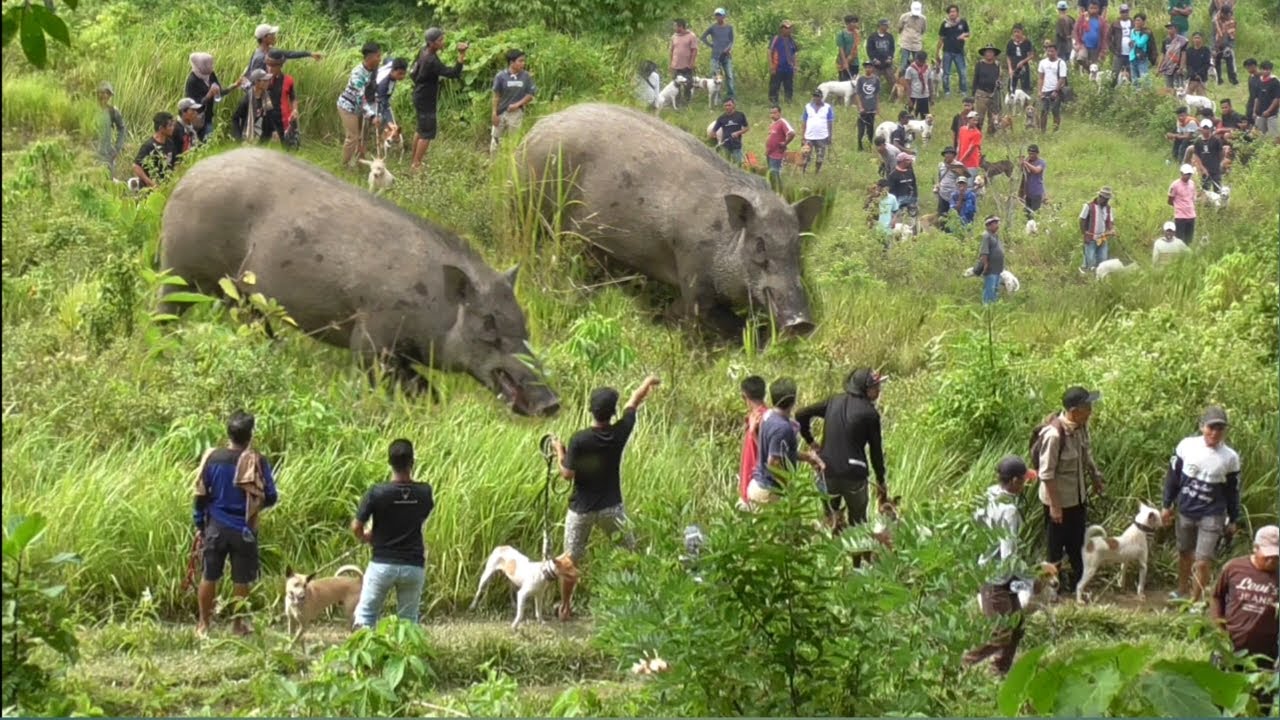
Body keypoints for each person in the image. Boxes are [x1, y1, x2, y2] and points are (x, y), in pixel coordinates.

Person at [552, 375, 660, 618]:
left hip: (581, 509)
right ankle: (636, 605)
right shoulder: (620, 432)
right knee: (629, 555)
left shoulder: (579, 439)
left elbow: (567, 474)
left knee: (570, 561)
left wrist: (560, 452)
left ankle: (566, 608)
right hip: (612, 508)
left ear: (590, 410)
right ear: (613, 413)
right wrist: (647, 383)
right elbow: (634, 402)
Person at [193, 410, 278, 637]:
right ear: (250, 435)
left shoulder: (212, 458)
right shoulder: (257, 461)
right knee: (241, 579)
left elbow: (200, 495)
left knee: (209, 575)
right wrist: (254, 505)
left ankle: (204, 625)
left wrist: (199, 524)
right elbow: (271, 496)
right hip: (244, 529)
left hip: (215, 528)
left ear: (228, 433)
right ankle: (238, 625)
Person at [961, 455, 1039, 676]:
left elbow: (975, 526)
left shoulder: (988, 495)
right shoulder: (1009, 512)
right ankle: (964, 663)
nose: (1025, 485)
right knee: (1003, 634)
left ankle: (999, 671)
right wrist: (1031, 578)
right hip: (997, 579)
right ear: (1014, 481)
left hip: (989, 569)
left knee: (1016, 627)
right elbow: (1009, 555)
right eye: (1023, 481)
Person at [350, 439, 434, 628]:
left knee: (366, 615)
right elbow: (421, 516)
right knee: (408, 621)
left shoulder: (377, 492)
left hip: (382, 564)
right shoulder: (424, 492)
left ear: (389, 462)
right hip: (413, 565)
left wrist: (366, 537)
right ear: (412, 462)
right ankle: (406, 655)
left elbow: (356, 526)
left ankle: (366, 655)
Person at [1161, 405, 1241, 603]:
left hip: (1212, 513)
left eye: (1220, 429)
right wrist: (1167, 504)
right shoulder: (1187, 446)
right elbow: (1173, 477)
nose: (1214, 433)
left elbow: (1233, 491)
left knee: (1203, 560)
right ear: (1201, 427)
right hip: (1186, 509)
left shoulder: (1230, 457)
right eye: (1211, 427)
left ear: (1225, 431)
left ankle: (1195, 601)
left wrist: (1233, 518)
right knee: (1184, 553)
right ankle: (1182, 589)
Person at [796, 369, 889, 532]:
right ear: (865, 389)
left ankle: (835, 548)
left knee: (833, 521)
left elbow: (800, 414)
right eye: (875, 386)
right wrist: (880, 480)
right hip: (855, 474)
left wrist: (810, 440)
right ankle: (858, 555)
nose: (879, 389)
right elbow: (876, 452)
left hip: (827, 472)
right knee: (858, 526)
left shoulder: (833, 401)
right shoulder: (870, 414)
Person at [1033, 387, 1104, 597]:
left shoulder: (1081, 427)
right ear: (1074, 410)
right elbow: (1046, 474)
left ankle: (1077, 588)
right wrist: (1055, 506)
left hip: (1077, 499)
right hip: (1058, 502)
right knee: (1055, 549)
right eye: (1087, 407)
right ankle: (1052, 591)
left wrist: (1095, 477)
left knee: (1077, 545)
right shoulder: (1054, 435)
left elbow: (1086, 454)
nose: (1091, 410)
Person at [1211, 526, 1278, 689]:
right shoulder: (1234, 568)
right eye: (1268, 556)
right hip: (1231, 645)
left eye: (1277, 557)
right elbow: (1216, 596)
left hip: (1266, 652)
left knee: (1261, 701)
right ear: (1255, 548)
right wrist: (1219, 630)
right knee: (1219, 694)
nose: (1272, 560)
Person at [744, 377, 825, 507]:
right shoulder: (783, 428)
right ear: (793, 400)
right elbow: (774, 462)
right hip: (769, 491)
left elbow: (779, 451)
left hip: (759, 485)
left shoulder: (768, 415)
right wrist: (788, 488)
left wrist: (807, 457)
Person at [410, 28, 467, 171]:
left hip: (419, 94)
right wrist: (461, 54)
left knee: (420, 129)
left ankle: (414, 160)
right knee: (427, 133)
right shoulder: (431, 61)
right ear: (431, 43)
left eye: (442, 39)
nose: (443, 42)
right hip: (426, 99)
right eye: (440, 40)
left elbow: (413, 73)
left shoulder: (423, 51)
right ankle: (416, 165)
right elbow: (453, 73)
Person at [337, 42, 381, 168]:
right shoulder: (358, 73)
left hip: (360, 108)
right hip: (348, 107)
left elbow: (375, 88)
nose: (380, 59)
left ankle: (360, 163)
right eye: (378, 56)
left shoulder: (374, 70)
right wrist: (372, 116)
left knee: (362, 137)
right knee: (353, 137)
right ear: (369, 57)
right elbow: (359, 98)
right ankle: (344, 166)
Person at [243, 23, 321, 86]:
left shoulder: (271, 51)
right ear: (264, 38)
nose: (275, 37)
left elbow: (290, 54)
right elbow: (255, 82)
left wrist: (310, 54)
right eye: (272, 34)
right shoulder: (260, 57)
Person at [491, 49, 536, 155]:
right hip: (501, 112)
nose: (523, 63)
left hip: (516, 113)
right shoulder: (500, 76)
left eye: (524, 61)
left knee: (514, 141)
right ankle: (493, 164)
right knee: (495, 140)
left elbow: (530, 95)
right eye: (520, 61)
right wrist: (494, 113)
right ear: (511, 62)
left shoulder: (526, 76)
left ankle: (512, 164)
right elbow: (496, 96)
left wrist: (517, 105)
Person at [737, 376, 769, 506]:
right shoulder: (759, 416)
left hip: (757, 485)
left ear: (744, 396)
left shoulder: (762, 418)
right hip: (751, 484)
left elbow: (768, 453)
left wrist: (752, 432)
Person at [184, 54, 226, 142]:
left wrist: (235, 85)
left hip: (208, 116)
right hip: (196, 120)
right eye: (208, 64)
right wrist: (209, 95)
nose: (211, 66)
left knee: (209, 142)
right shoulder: (192, 81)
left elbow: (220, 92)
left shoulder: (210, 75)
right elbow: (193, 104)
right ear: (201, 66)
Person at [262, 50, 298, 149]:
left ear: (280, 66)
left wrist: (295, 110)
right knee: (261, 148)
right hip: (267, 119)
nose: (270, 68)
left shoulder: (288, 80)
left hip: (284, 120)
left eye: (273, 66)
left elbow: (293, 97)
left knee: (289, 150)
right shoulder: (262, 80)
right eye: (268, 65)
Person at [132, 112, 177, 189]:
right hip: (151, 190)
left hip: (165, 186)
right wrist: (150, 183)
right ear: (161, 128)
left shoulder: (170, 143)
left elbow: (174, 164)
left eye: (173, 125)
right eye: (170, 125)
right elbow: (136, 166)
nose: (172, 128)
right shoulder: (149, 146)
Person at [701, 8, 736, 100]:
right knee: (716, 77)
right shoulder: (712, 27)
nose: (718, 17)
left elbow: (732, 40)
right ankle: (717, 97)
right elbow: (703, 37)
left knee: (729, 76)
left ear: (724, 16)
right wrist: (711, 45)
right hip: (715, 56)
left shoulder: (729, 27)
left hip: (726, 56)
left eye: (720, 15)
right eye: (716, 15)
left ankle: (731, 96)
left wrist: (728, 48)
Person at [970, 215, 1006, 304]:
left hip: (997, 268)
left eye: (997, 223)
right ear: (989, 225)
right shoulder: (986, 236)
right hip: (990, 268)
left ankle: (993, 307)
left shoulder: (995, 236)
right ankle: (987, 308)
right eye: (995, 223)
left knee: (995, 289)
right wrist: (986, 265)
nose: (997, 225)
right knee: (989, 289)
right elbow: (984, 252)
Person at [1078, 186, 1115, 272]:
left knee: (1103, 259)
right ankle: (1087, 273)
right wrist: (1085, 234)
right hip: (1090, 238)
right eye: (1105, 199)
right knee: (1090, 260)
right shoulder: (1088, 206)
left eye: (1108, 200)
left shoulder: (1108, 208)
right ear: (1100, 197)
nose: (1106, 201)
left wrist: (1111, 229)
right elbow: (1082, 220)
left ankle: (1098, 276)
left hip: (1102, 238)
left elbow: (1110, 221)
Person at [231, 68, 273, 143]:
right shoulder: (246, 100)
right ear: (257, 82)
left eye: (268, 80)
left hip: (262, 139)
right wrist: (238, 138)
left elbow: (270, 117)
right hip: (247, 137)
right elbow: (235, 118)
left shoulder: (267, 97)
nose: (268, 82)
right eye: (265, 80)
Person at [937, 5, 971, 96]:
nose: (952, 13)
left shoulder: (962, 22)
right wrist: (937, 52)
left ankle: (963, 90)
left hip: (959, 51)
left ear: (957, 12)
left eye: (954, 11)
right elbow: (941, 38)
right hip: (947, 51)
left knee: (962, 72)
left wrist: (963, 35)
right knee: (946, 73)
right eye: (950, 12)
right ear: (948, 14)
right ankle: (947, 92)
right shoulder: (944, 24)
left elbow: (968, 33)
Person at [374, 57, 407, 151]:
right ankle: (381, 144)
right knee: (382, 120)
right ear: (392, 71)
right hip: (375, 98)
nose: (402, 76)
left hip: (384, 97)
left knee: (388, 121)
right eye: (400, 74)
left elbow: (388, 60)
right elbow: (383, 104)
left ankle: (388, 142)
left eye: (404, 73)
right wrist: (389, 122)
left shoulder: (392, 64)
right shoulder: (384, 84)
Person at [96, 82, 127, 179]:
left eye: (107, 93)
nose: (104, 95)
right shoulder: (89, 110)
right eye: (102, 92)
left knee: (108, 183)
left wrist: (117, 148)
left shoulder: (112, 111)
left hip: (107, 155)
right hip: (91, 154)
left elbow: (122, 128)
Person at [800, 89, 833, 174]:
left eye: (817, 96)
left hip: (822, 136)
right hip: (809, 136)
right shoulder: (808, 106)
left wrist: (830, 136)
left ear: (821, 97)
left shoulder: (827, 107)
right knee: (805, 156)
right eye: (814, 96)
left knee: (820, 156)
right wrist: (803, 136)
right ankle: (803, 171)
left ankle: (817, 172)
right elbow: (804, 121)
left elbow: (830, 122)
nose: (816, 98)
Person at [1037, 43, 1068, 132]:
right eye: (1048, 51)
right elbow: (1040, 77)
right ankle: (1042, 131)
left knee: (1055, 111)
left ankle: (1055, 131)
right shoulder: (1042, 62)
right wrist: (1040, 91)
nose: (1050, 53)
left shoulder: (1061, 63)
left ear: (1056, 52)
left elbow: (1062, 78)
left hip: (1056, 90)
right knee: (1043, 111)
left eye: (1052, 51)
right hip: (1045, 90)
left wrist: (1055, 91)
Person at [972, 45, 1002, 135]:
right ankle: (977, 134)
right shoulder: (979, 64)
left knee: (993, 117)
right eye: (987, 52)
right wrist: (973, 93)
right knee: (979, 116)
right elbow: (975, 79)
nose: (989, 54)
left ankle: (991, 135)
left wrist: (1000, 84)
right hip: (981, 93)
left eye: (991, 52)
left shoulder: (997, 65)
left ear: (994, 54)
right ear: (984, 54)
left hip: (994, 93)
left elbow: (1000, 78)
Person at [764, 105, 795, 189]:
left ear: (780, 113)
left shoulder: (782, 122)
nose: (772, 115)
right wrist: (767, 149)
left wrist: (785, 143)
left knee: (775, 173)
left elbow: (792, 133)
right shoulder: (772, 124)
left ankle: (779, 191)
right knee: (771, 173)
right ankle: (773, 190)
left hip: (777, 153)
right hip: (770, 153)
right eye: (771, 113)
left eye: (775, 112)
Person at [769, 21, 799, 105]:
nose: (788, 30)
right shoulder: (776, 39)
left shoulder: (792, 40)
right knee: (775, 86)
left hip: (789, 67)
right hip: (777, 67)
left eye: (789, 28)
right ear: (782, 29)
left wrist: (796, 66)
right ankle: (773, 102)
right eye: (786, 28)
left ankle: (788, 101)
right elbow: (769, 51)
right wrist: (771, 65)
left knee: (789, 86)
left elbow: (795, 53)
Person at [1190, 118, 1225, 191]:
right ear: (1201, 129)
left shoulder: (1216, 140)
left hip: (1215, 168)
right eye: (1204, 128)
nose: (1206, 130)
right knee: (1205, 189)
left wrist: (1219, 162)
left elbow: (1221, 153)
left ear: (1211, 128)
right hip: (1204, 168)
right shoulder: (1198, 142)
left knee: (1217, 188)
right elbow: (1197, 155)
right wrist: (1202, 168)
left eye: (1207, 128)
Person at [670, 19, 698, 108]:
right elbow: (671, 50)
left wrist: (692, 63)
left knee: (688, 85)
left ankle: (686, 104)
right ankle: (677, 104)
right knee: (676, 86)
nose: (674, 28)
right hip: (676, 65)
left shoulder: (691, 36)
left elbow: (694, 50)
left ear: (680, 26)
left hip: (687, 66)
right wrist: (671, 63)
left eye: (675, 26)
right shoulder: (674, 36)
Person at [712, 98, 749, 165]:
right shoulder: (721, 118)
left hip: (736, 144)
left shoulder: (740, 115)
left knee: (738, 165)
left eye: (729, 105)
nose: (727, 107)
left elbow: (746, 128)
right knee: (725, 165)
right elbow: (713, 131)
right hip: (725, 145)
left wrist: (738, 133)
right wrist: (718, 140)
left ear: (734, 105)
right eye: (725, 105)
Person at [1168, 163, 1198, 243]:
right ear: (1181, 173)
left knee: (1189, 239)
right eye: (1186, 174)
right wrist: (1178, 206)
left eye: (1189, 174)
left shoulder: (1192, 184)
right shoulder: (1175, 185)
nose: (1188, 176)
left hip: (1191, 215)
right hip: (1180, 216)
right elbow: (1170, 200)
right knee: (1179, 239)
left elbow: (1193, 197)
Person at [897, 2, 927, 74]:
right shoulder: (904, 16)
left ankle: (915, 81)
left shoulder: (923, 19)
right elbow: (899, 28)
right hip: (906, 43)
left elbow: (923, 30)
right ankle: (901, 80)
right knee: (903, 64)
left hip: (917, 44)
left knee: (917, 64)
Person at [1075, 3, 1108, 68]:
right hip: (1084, 45)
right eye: (1091, 8)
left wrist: (1103, 49)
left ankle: (1090, 73)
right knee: (1080, 59)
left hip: (1096, 46)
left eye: (1095, 8)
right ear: (1088, 9)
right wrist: (1078, 43)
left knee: (1094, 65)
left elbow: (1105, 35)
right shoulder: (1083, 18)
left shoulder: (1101, 21)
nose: (1093, 10)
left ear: (1098, 10)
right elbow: (1076, 30)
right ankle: (1087, 69)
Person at [866, 19, 897, 88]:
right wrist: (874, 60)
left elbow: (892, 49)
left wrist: (890, 58)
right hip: (876, 65)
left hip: (887, 64)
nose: (887, 27)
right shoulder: (872, 37)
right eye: (885, 25)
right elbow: (869, 50)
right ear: (880, 25)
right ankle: (874, 97)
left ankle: (895, 97)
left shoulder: (889, 36)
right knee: (873, 83)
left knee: (893, 82)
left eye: (887, 25)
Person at [855, 70, 881, 150]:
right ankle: (860, 146)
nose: (868, 69)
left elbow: (876, 94)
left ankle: (870, 145)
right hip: (863, 110)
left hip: (871, 109)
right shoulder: (860, 79)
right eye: (866, 67)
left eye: (870, 67)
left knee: (871, 129)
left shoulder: (876, 79)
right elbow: (858, 94)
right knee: (861, 130)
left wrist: (877, 107)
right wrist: (860, 107)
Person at [1006, 25, 1036, 96]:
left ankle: (1025, 103)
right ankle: (1011, 102)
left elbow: (1031, 55)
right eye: (1014, 32)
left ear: (1022, 32)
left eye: (1018, 32)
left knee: (1025, 87)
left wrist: (1023, 61)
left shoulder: (1027, 42)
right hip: (1014, 67)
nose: (1016, 34)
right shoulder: (1010, 43)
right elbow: (1008, 56)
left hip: (1024, 68)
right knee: (1011, 87)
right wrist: (1010, 69)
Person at [1129, 13, 1157, 85]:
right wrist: (1134, 40)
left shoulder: (1146, 32)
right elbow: (1131, 42)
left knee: (1144, 79)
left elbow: (1140, 43)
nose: (1136, 22)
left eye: (1139, 20)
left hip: (1142, 58)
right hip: (1133, 57)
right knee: (1134, 80)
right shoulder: (1132, 31)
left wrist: (1137, 34)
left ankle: (1147, 94)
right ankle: (1136, 95)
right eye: (1135, 20)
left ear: (1143, 22)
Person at [1107, 4, 1134, 79]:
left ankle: (1131, 90)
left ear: (1128, 12)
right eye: (1123, 12)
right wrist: (1113, 49)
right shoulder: (1115, 23)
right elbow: (1108, 37)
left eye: (1126, 12)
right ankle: (1111, 89)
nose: (1125, 14)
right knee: (1115, 73)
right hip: (1119, 53)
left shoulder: (1134, 23)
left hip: (1131, 53)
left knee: (1132, 74)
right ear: (1120, 13)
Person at [1212, 5, 1237, 86]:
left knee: (1230, 60)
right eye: (1227, 15)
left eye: (1229, 15)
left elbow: (1232, 34)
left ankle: (1233, 80)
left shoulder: (1231, 19)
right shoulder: (1215, 21)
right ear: (1222, 14)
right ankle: (1218, 79)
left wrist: (1229, 46)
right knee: (1217, 61)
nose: (1228, 17)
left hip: (1227, 40)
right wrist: (1215, 47)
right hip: (1217, 41)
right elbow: (1214, 35)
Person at [1019, 144, 1046, 218]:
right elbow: (1023, 171)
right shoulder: (1029, 162)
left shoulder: (1041, 162)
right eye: (1029, 154)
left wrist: (1025, 163)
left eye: (1032, 154)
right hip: (1028, 193)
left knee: (1035, 214)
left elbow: (1036, 170)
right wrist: (1022, 163)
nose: (1031, 156)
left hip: (1036, 193)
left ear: (1037, 153)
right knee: (1027, 215)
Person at [1159, 22, 1188, 90]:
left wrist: (1181, 67)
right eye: (1168, 29)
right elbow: (1163, 54)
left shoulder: (1182, 40)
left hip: (1177, 67)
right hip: (1168, 67)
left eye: (1171, 28)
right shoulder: (1165, 41)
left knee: (1179, 88)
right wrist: (1159, 67)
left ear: (1176, 29)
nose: (1169, 30)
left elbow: (1183, 54)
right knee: (1169, 88)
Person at [1255, 61, 1280, 137]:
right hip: (1260, 113)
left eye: (1267, 69)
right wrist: (1255, 110)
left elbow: (1277, 98)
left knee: (1274, 135)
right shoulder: (1259, 81)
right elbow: (1257, 97)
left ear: (1271, 70)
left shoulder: (1275, 81)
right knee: (1259, 135)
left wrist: (1269, 110)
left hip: (1272, 113)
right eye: (1263, 69)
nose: (1265, 71)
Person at [935, 147, 962, 216]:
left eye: (950, 153)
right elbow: (939, 176)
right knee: (941, 215)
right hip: (942, 194)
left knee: (954, 215)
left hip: (954, 194)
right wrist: (938, 185)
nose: (948, 155)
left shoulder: (959, 165)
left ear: (953, 155)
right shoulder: (941, 165)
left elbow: (963, 180)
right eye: (946, 153)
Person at [905, 51, 933, 118]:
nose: (921, 63)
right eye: (920, 61)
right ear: (916, 59)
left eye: (923, 61)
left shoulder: (928, 68)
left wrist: (931, 97)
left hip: (924, 95)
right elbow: (907, 85)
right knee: (911, 117)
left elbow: (930, 82)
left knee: (924, 117)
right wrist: (908, 98)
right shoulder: (910, 69)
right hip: (914, 95)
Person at [957, 110, 983, 177]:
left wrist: (960, 161)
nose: (975, 122)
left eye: (976, 121)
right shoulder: (962, 129)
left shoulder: (977, 133)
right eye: (973, 120)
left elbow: (970, 149)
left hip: (972, 163)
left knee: (969, 185)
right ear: (968, 119)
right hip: (961, 160)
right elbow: (959, 144)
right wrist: (957, 158)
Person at [836, 15, 861, 82]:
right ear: (847, 23)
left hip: (854, 61)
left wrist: (850, 58)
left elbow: (856, 47)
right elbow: (841, 49)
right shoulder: (841, 34)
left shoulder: (857, 34)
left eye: (856, 22)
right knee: (844, 82)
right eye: (853, 22)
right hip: (843, 61)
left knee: (854, 82)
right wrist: (845, 62)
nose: (855, 24)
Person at [1243, 58, 1260, 124]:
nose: (1248, 70)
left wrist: (1255, 110)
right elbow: (1251, 92)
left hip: (1260, 103)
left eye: (1248, 68)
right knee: (1248, 120)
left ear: (1254, 66)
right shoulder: (1250, 77)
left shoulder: (1261, 78)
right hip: (1251, 102)